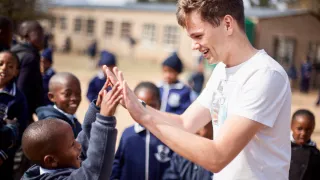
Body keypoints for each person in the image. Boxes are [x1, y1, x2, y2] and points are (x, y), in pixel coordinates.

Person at [105, 0, 292, 179]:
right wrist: (134, 103)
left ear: (227, 24)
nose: (194, 46)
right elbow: (185, 123)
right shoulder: (222, 70)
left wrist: (144, 117)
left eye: (198, 35)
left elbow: (217, 156)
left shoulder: (265, 75)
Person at [21, 80, 121, 180]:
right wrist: (104, 120)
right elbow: (95, 174)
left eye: (74, 140)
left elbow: (86, 138)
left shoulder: (47, 168)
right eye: (72, 144)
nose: (79, 145)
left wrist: (97, 109)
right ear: (51, 160)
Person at [111, 82, 173, 180]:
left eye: (151, 105)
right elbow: (117, 163)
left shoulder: (169, 135)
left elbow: (177, 168)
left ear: (159, 104)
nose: (145, 111)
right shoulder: (128, 135)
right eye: (140, 105)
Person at [0, 51, 28, 180]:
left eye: (10, 66)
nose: (4, 68)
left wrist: (3, 154)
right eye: (0, 64)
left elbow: (19, 131)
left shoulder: (18, 98)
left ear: (17, 71)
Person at [11, 20, 45, 124]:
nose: (43, 38)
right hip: (20, 115)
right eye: (39, 34)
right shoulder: (29, 58)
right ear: (28, 35)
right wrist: (27, 117)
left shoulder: (14, 51)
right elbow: (23, 89)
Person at [36, 72, 82, 137]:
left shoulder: (71, 118)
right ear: (51, 97)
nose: (74, 98)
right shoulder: (52, 126)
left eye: (78, 94)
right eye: (67, 94)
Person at [289, 109, 320, 180]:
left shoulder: (315, 154)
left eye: (308, 130)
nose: (303, 133)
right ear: (291, 126)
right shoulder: (281, 148)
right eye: (299, 129)